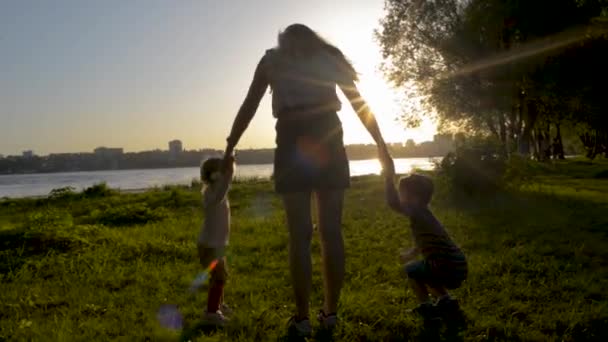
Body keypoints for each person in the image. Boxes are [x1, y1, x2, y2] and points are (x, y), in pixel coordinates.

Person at [222, 23, 391, 337]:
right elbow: (359, 105)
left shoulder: (272, 59)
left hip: (291, 139)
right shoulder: (328, 57)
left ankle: (302, 319)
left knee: (300, 236)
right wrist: (381, 145)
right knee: (331, 232)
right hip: (327, 136)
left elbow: (250, 104)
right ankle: (330, 314)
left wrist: (230, 146)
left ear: (284, 41)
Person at [382, 159, 468, 323]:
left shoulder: (417, 212)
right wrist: (411, 253)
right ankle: (446, 302)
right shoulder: (426, 215)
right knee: (426, 269)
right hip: (458, 264)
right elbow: (422, 243)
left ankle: (426, 308)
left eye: (402, 194)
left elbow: (393, 204)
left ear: (414, 198)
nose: (400, 198)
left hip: (447, 266)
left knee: (412, 272)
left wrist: (388, 178)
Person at [197, 156, 234, 327]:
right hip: (211, 246)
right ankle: (212, 312)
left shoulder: (212, 190)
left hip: (214, 244)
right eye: (223, 171)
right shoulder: (213, 193)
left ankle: (218, 304)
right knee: (219, 278)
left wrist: (228, 169)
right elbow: (223, 191)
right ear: (215, 176)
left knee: (220, 276)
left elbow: (224, 189)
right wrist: (230, 172)